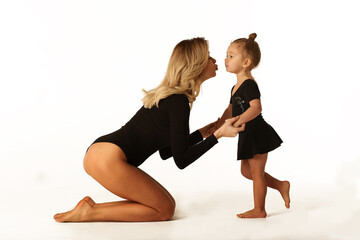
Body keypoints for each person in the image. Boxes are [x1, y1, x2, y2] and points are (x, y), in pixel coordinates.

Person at [53, 37, 244, 222]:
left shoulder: (174, 98)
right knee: (164, 210)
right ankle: (89, 212)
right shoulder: (178, 101)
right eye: (209, 56)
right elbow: (182, 160)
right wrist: (218, 135)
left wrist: (205, 132)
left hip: (101, 152)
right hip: (107, 157)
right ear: (197, 64)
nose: (214, 60)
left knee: (166, 206)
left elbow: (166, 152)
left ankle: (90, 210)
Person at [214, 33, 290, 218]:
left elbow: (256, 108)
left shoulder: (249, 84)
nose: (226, 59)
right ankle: (281, 185)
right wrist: (219, 123)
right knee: (247, 171)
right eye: (227, 55)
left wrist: (238, 121)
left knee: (256, 173)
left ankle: (259, 210)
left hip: (257, 132)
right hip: (247, 133)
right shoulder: (235, 87)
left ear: (246, 62)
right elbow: (232, 108)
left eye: (231, 56)